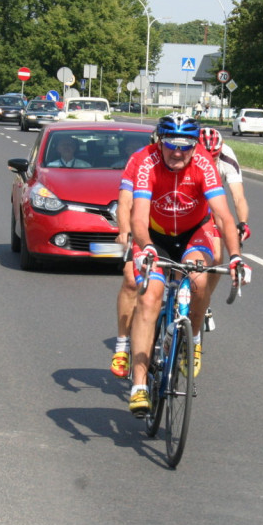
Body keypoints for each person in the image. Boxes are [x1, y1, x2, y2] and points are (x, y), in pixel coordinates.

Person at [126, 114, 250, 417]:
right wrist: (148, 248)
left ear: (195, 146)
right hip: (155, 235)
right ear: (159, 141)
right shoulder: (148, 163)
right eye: (171, 144)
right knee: (149, 297)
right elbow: (138, 218)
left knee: (198, 282)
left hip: (193, 232)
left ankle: (192, 338)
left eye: (186, 146)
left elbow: (223, 216)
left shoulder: (205, 164)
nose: (178, 152)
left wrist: (235, 256)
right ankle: (139, 384)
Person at [109, 131, 157, 379]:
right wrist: (125, 231)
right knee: (131, 279)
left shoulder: (188, 161)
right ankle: (122, 346)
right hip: (142, 230)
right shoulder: (139, 160)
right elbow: (125, 201)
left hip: (175, 230)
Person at [197, 126, 251, 331]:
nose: (209, 161)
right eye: (204, 156)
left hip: (213, 205)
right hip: (190, 203)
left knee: (217, 258)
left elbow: (238, 196)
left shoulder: (227, 158)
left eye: (214, 156)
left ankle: (204, 302)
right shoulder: (187, 156)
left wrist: (243, 222)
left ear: (221, 149)